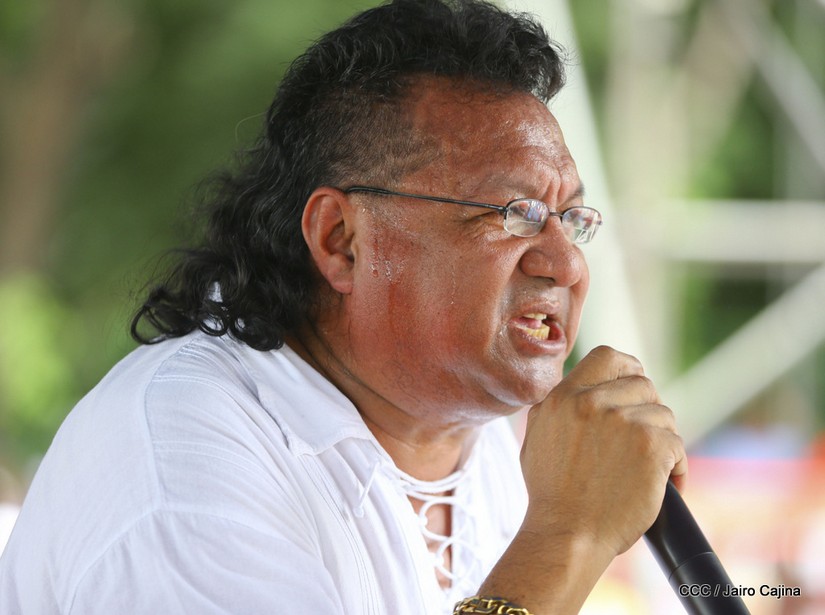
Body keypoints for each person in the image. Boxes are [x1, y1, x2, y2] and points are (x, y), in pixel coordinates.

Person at [0, 0, 687, 613]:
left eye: (571, 219)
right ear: (341, 241)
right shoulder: (180, 466)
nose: (567, 264)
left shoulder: (490, 444)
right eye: (515, 213)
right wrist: (565, 536)